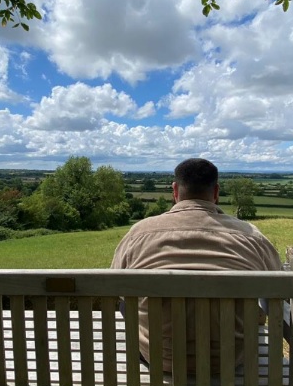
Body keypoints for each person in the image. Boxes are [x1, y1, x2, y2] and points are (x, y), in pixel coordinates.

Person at [111, 157, 282, 373]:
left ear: (175, 191)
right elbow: (277, 287)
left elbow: (117, 288)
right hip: (231, 359)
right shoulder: (250, 236)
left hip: (160, 358)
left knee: (126, 304)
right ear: (216, 192)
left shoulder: (139, 233)